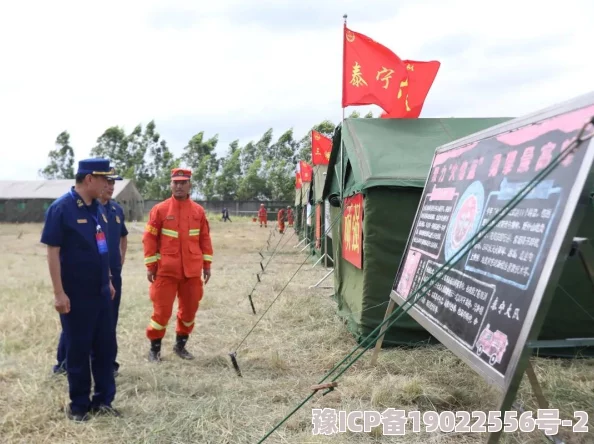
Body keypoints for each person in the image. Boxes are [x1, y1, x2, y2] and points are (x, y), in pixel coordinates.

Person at [41, 158, 119, 421]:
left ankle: (103, 401)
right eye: (103, 179)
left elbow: (103, 247)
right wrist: (58, 292)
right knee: (78, 349)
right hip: (75, 295)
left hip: (100, 292)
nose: (107, 184)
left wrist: (107, 278)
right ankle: (79, 406)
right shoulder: (61, 209)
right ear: (89, 179)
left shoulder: (98, 209)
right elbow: (53, 252)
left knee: (105, 347)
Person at [143, 168, 214, 362]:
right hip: (166, 271)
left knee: (189, 311)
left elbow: (204, 239)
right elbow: (149, 238)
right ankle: (154, 350)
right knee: (161, 312)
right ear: (171, 184)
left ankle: (180, 346)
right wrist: (150, 265)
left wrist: (207, 265)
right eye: (176, 182)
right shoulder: (160, 210)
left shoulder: (198, 211)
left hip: (191, 272)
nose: (179, 186)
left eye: (183, 182)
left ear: (190, 185)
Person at [99, 172, 128, 376]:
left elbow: (123, 236)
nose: (110, 187)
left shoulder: (116, 209)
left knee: (111, 319)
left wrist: (120, 259)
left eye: (113, 183)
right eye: (107, 182)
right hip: (94, 274)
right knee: (85, 320)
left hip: (114, 274)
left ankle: (109, 363)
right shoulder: (91, 209)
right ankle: (64, 362)